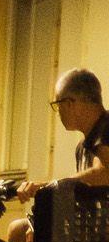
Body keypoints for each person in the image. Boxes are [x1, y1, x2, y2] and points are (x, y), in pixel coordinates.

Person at [18, 67, 109, 199]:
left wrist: (49, 186)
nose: (58, 112)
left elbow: (102, 172)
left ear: (68, 104)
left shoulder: (106, 128)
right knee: (23, 221)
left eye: (58, 105)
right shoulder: (82, 147)